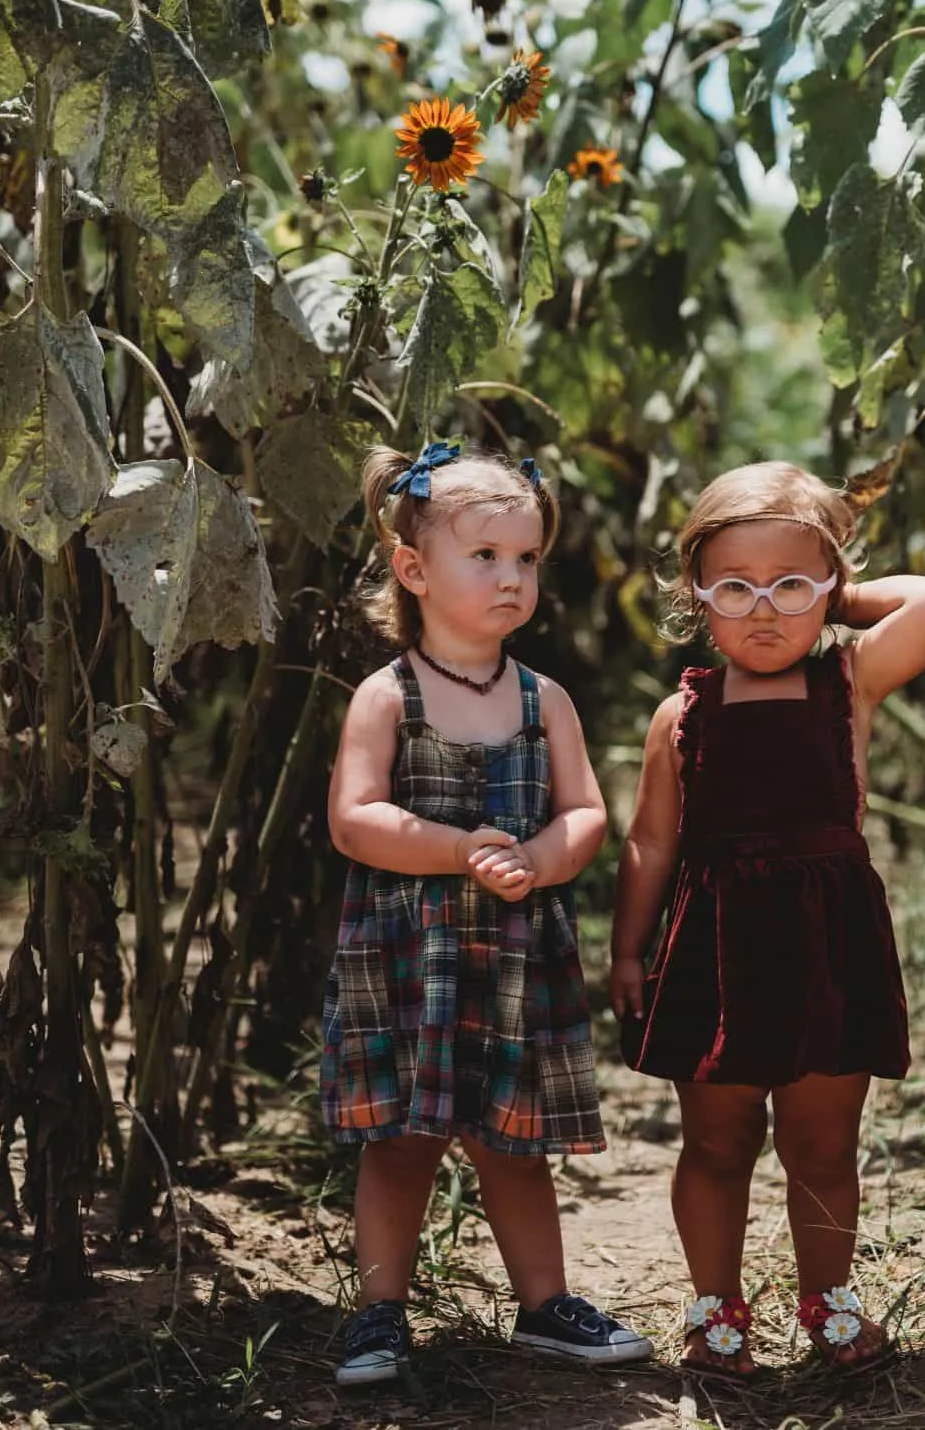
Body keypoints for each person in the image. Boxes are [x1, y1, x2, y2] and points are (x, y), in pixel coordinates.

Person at [610, 462, 925, 1378]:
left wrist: (836, 596)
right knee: (718, 1140)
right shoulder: (681, 715)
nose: (763, 609)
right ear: (697, 595)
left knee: (822, 1140)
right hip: (716, 950)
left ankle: (830, 1305)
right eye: (735, 587)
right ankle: (715, 1312)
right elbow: (649, 842)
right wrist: (626, 949)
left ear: (832, 591)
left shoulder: (851, 680)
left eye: (791, 585)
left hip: (826, 946)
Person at [321, 442, 651, 1385]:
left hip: (511, 955)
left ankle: (545, 1305)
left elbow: (585, 809)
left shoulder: (544, 700)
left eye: (528, 558)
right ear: (413, 569)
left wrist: (543, 859)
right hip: (410, 956)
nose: (512, 578)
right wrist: (461, 848)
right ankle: (380, 1312)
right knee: (402, 1142)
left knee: (515, 1142)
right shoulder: (389, 697)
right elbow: (355, 819)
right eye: (486, 556)